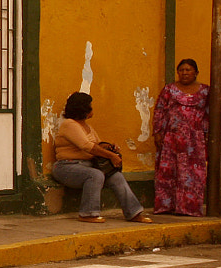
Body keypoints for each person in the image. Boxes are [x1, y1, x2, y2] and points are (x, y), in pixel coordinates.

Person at [52, 92, 152, 224]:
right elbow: (87, 146)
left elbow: (97, 145)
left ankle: (133, 212)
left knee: (116, 177)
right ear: (83, 109)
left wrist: (110, 148)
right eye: (90, 106)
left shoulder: (87, 126)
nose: (93, 109)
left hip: (87, 165)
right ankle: (88, 213)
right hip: (67, 167)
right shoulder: (69, 124)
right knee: (95, 175)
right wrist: (111, 156)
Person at [152, 58, 210, 216]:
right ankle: (166, 206)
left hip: (195, 140)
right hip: (172, 137)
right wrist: (157, 132)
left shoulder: (205, 91)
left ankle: (188, 208)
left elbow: (209, 114)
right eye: (182, 70)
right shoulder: (169, 90)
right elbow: (159, 110)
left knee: (192, 174)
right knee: (169, 172)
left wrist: (207, 136)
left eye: (188, 70)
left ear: (196, 73)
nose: (184, 73)